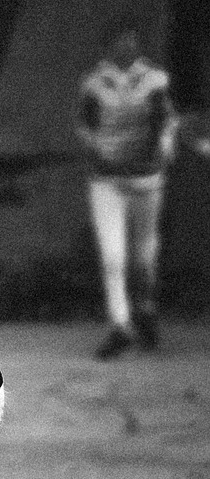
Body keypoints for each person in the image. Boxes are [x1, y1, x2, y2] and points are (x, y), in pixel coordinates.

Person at [75, 26, 178, 358]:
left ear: (138, 44)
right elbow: (84, 127)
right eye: (119, 39)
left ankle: (145, 309)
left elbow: (167, 123)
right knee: (113, 258)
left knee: (144, 256)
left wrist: (163, 149)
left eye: (132, 39)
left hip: (147, 179)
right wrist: (100, 152)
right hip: (107, 181)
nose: (126, 45)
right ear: (108, 45)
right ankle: (120, 325)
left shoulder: (155, 80)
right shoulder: (93, 83)